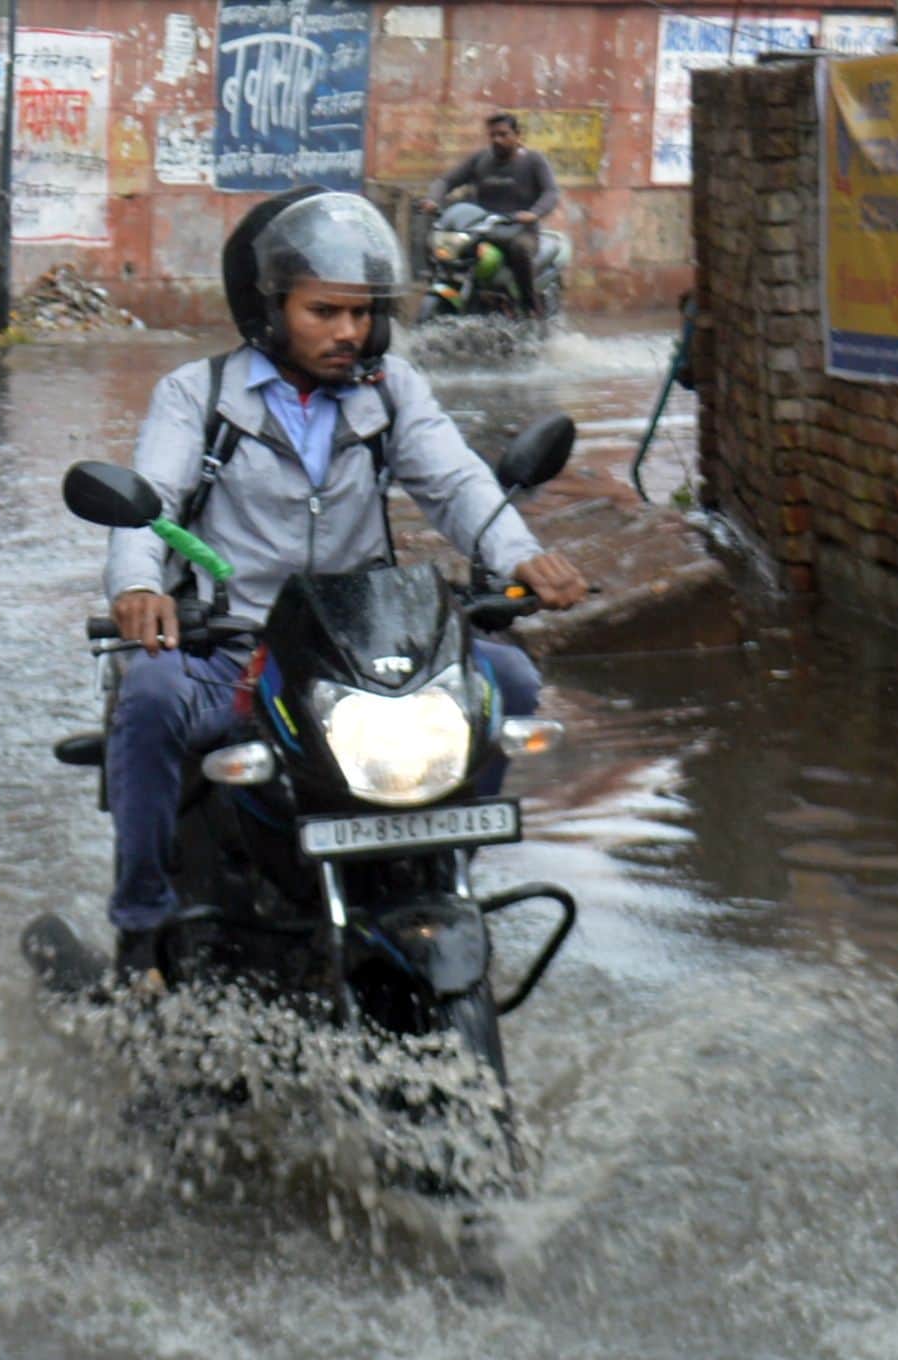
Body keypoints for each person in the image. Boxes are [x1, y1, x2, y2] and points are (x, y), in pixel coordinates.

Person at [102, 188, 587, 978]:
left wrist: (518, 555)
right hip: (236, 649)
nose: (347, 332)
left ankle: (441, 869)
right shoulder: (198, 394)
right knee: (150, 700)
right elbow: (147, 505)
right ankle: (141, 926)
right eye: (323, 312)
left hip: (361, 656)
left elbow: (457, 482)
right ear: (267, 308)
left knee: (510, 682)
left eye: (361, 313)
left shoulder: (389, 388)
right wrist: (137, 587)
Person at [416, 113, 560, 317]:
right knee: (440, 242)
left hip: (519, 230)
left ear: (517, 135)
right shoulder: (481, 160)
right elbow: (446, 181)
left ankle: (530, 307)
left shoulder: (533, 161)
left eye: (503, 134)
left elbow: (551, 192)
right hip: (482, 229)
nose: (497, 140)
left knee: (520, 249)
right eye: (492, 135)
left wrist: (533, 214)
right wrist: (433, 200)